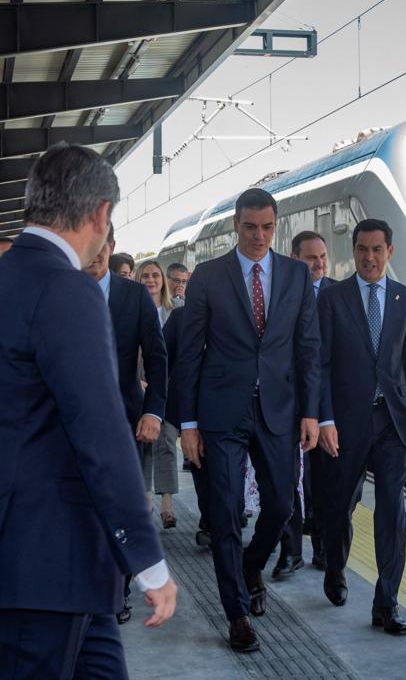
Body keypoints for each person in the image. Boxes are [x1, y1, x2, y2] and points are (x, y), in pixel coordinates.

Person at [0, 144, 177, 679]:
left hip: (38, 564)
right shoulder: (67, 290)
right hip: (32, 570)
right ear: (100, 214)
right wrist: (148, 562)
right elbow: (102, 433)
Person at [176, 187, 320, 653]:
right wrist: (190, 423)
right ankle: (237, 613)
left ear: (275, 226)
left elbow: (308, 349)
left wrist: (312, 412)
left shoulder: (297, 275)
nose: (259, 236)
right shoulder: (208, 277)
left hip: (278, 410)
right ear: (235, 226)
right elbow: (188, 355)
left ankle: (250, 566)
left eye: (267, 227)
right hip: (220, 413)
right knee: (224, 514)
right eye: (249, 227)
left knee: (280, 507)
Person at [316, 219, 406, 635]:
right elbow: (321, 365)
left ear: (390, 251)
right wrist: (324, 418)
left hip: (392, 421)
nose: (369, 257)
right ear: (354, 251)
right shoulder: (333, 298)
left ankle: (387, 602)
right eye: (362, 249)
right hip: (345, 422)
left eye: (378, 249)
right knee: (339, 505)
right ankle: (334, 566)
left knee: (391, 513)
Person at [86, 226, 168, 625]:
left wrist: (153, 412)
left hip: (125, 420)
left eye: (103, 247)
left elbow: (157, 358)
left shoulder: (135, 297)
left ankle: (116, 591)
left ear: (113, 248)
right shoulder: (55, 291)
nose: (96, 254)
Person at [273, 230, 336, 578]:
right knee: (288, 480)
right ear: (295, 259)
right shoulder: (280, 295)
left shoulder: (337, 295)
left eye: (323, 255)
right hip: (288, 404)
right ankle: (291, 550)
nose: (320, 263)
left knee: (325, 481)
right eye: (312, 257)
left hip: (326, 409)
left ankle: (323, 547)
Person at [137, 259, 179, 528]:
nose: (151, 280)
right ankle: (146, 500)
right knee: (144, 446)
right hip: (138, 387)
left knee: (167, 445)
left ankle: (167, 505)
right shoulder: (133, 309)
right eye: (145, 276)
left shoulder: (174, 312)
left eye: (155, 275)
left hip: (169, 389)